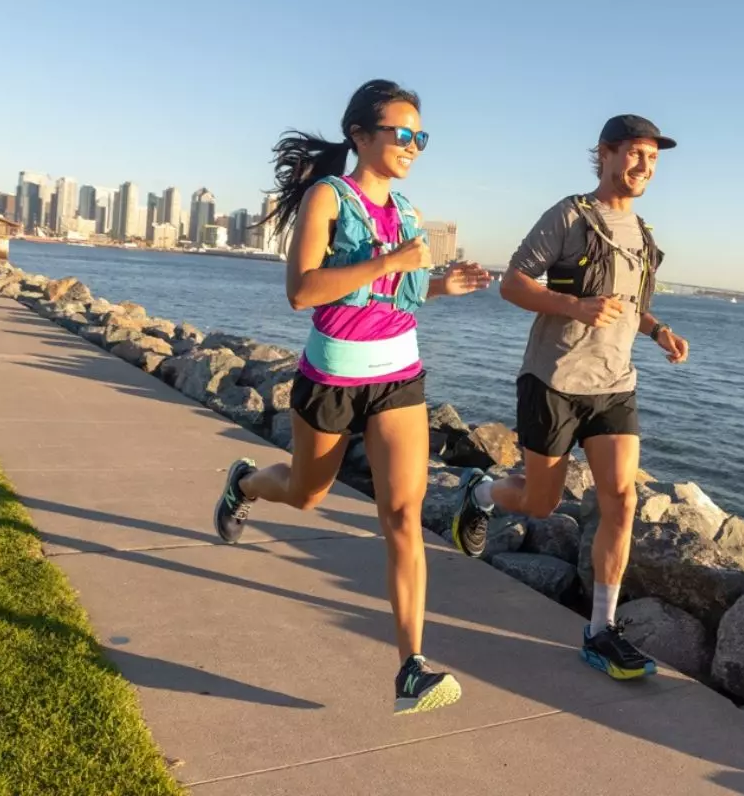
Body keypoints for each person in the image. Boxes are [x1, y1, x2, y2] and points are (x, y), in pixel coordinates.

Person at [212, 79, 491, 715]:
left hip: (399, 376)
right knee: (307, 494)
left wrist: (441, 284)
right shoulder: (328, 198)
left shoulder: (410, 214)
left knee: (402, 515)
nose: (413, 145)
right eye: (401, 132)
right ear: (361, 136)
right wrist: (389, 263)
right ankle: (247, 483)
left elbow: (403, 294)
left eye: (421, 136)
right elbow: (303, 291)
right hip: (333, 378)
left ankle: (411, 669)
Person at [449, 115, 689, 680]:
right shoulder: (570, 216)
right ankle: (479, 492)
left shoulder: (645, 236)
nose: (644, 167)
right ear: (604, 154)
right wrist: (576, 307)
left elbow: (632, 305)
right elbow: (514, 283)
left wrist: (658, 332)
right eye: (634, 154)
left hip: (614, 385)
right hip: (552, 381)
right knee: (541, 502)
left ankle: (600, 631)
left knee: (621, 499)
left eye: (652, 160)